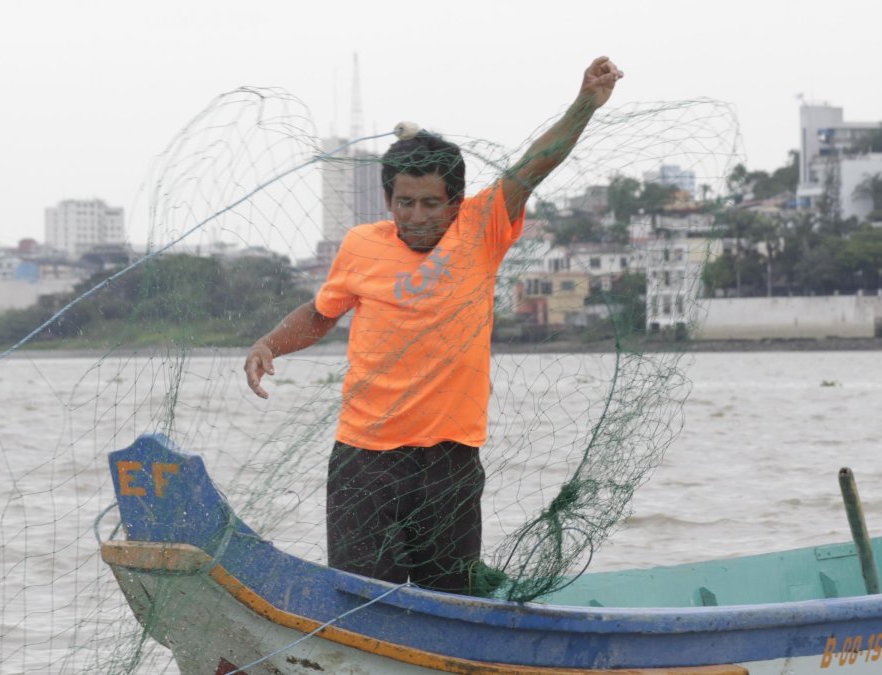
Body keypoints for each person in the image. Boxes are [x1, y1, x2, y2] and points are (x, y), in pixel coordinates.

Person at [244, 57, 623, 594]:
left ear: (455, 203)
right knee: (361, 596)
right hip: (364, 458)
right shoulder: (361, 246)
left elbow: (536, 163)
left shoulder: (482, 226)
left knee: (447, 598)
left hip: (450, 458)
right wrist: (269, 344)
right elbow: (319, 315)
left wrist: (585, 103)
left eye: (430, 204)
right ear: (387, 200)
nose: (417, 216)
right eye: (405, 203)